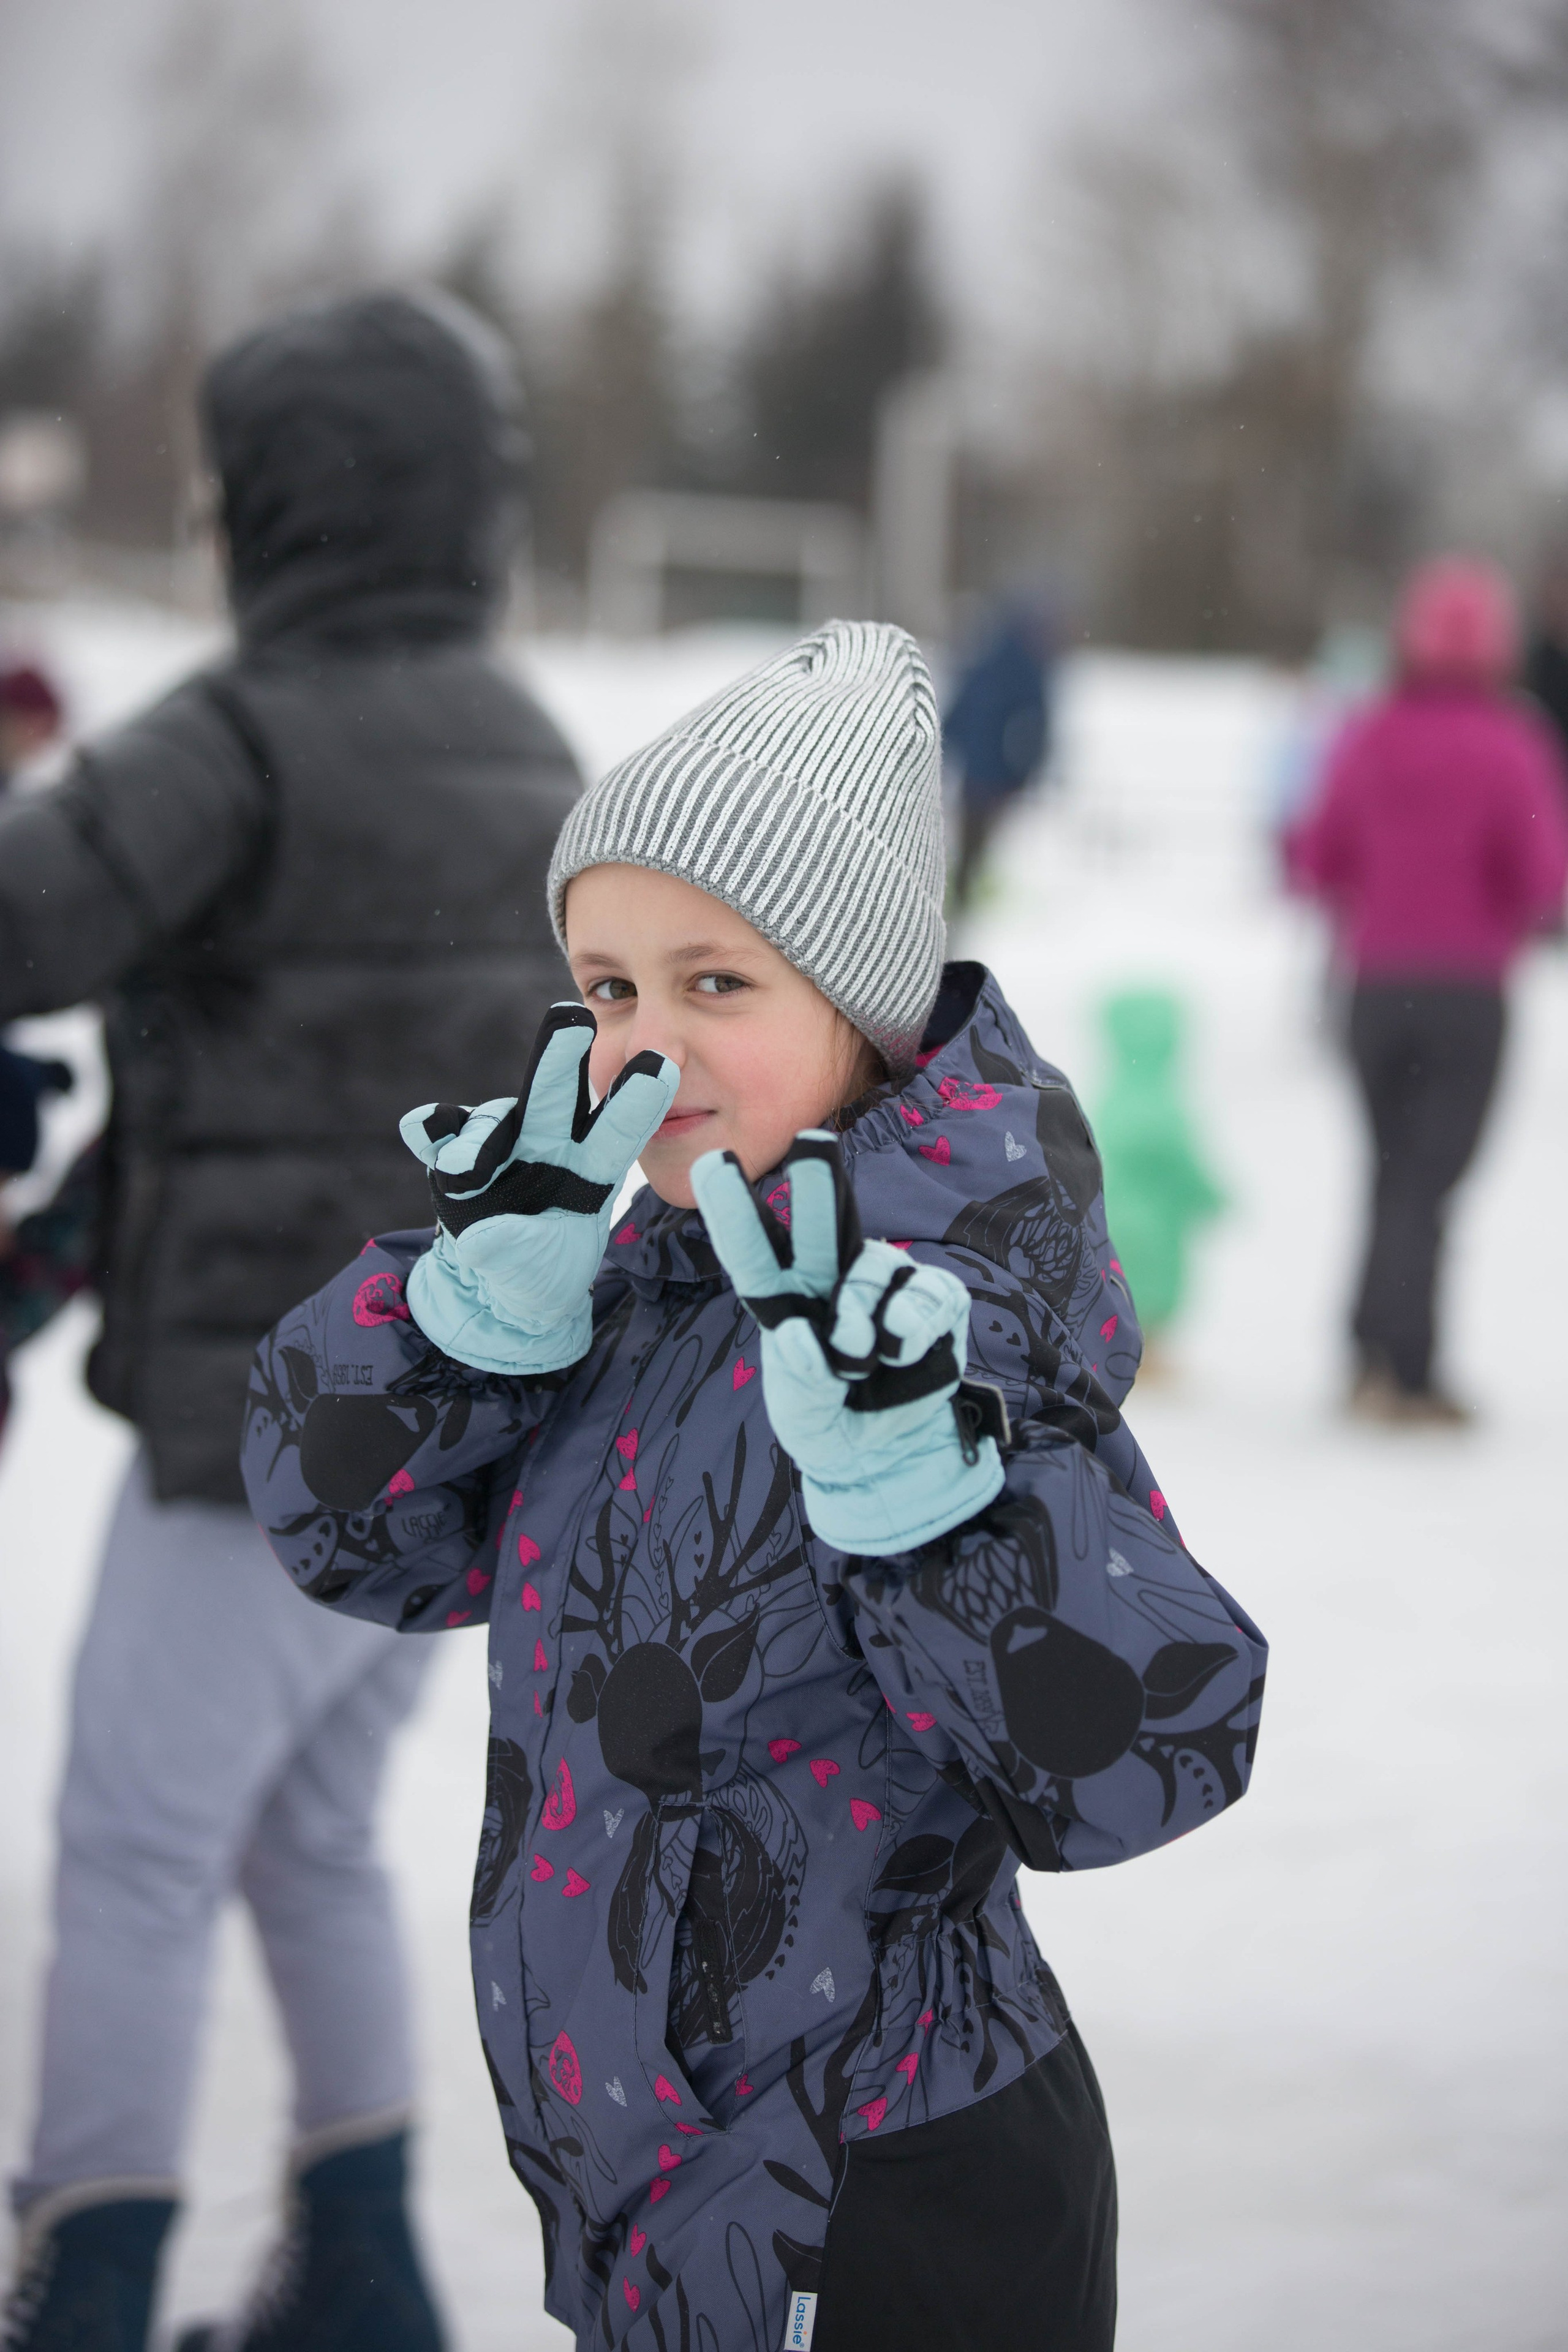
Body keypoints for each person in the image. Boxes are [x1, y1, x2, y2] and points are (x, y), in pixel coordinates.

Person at [241, 620, 1268, 2352]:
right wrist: (465, 1321)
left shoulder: (941, 1305)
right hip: (654, 2190)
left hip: (887, 2200)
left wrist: (927, 1500)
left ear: (858, 1004)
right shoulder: (632, 1288)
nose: (650, 1046)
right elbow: (352, 1536)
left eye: (718, 984)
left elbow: (1149, 1756)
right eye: (609, 990)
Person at [0, 290, 584, 2352]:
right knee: (312, 1836)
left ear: (274, 511)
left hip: (255, 1430)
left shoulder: (239, 733)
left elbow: (32, 915)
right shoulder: (535, 745)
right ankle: (359, 2268)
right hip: (445, 1434)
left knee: (139, 1846)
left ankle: (85, 2288)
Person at [1289, 555, 1568, 1425]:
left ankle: (1371, 1349)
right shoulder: (1513, 743)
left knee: (1389, 1170)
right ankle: (1406, 1371)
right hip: (1467, 996)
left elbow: (1312, 857)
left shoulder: (1367, 732)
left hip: (1374, 988)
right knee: (1428, 1180)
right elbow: (1544, 879)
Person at [1092, 989, 1225, 1377]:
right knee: (1155, 1292)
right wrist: (1209, 1196)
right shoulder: (1165, 1103)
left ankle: (1128, 1354)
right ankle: (1149, 1360)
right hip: (1159, 1224)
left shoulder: (1113, 1096)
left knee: (1125, 1287)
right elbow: (1181, 1162)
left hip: (1115, 1215)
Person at [943, 592, 1055, 911]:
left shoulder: (983, 662)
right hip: (1000, 776)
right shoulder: (1029, 668)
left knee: (972, 834)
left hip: (976, 774)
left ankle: (967, 891)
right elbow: (1034, 724)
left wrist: (947, 751)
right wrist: (1024, 771)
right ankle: (972, 893)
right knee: (983, 837)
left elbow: (959, 714)